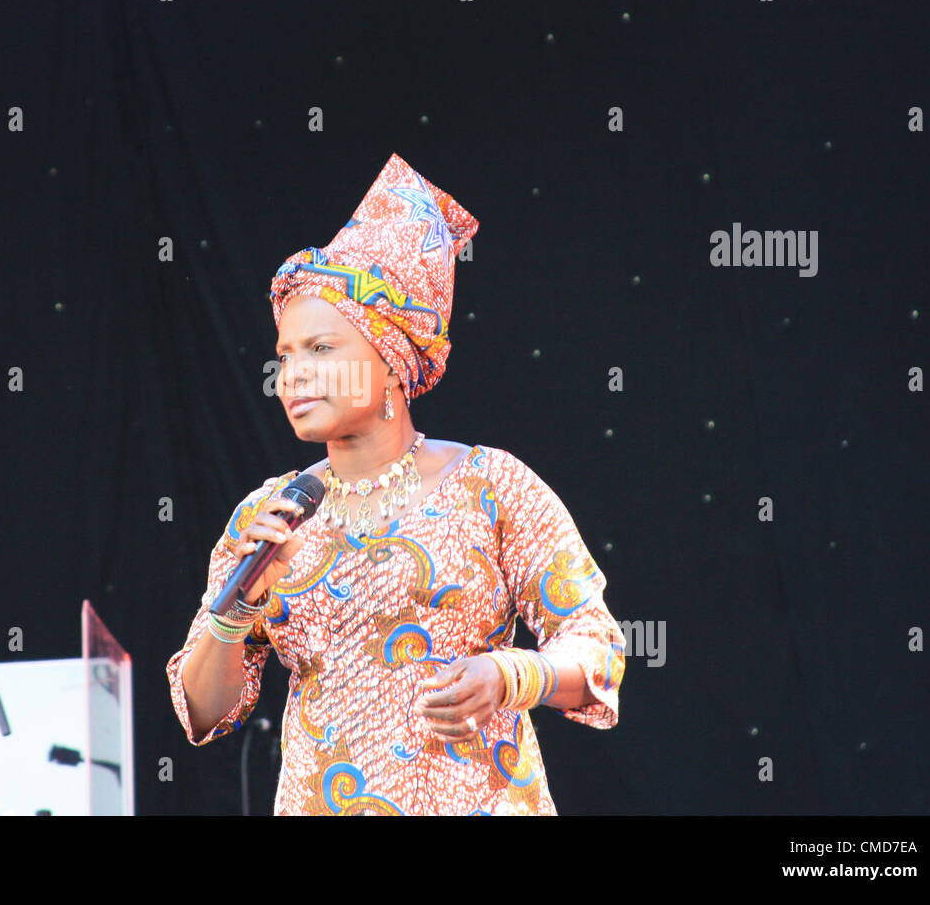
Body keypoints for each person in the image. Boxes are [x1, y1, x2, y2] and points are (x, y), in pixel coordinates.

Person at [166, 153, 626, 815]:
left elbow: (597, 649)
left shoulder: (490, 485)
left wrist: (510, 675)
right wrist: (238, 605)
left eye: (321, 349)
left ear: (390, 360)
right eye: (284, 356)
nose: (291, 375)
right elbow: (204, 711)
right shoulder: (269, 516)